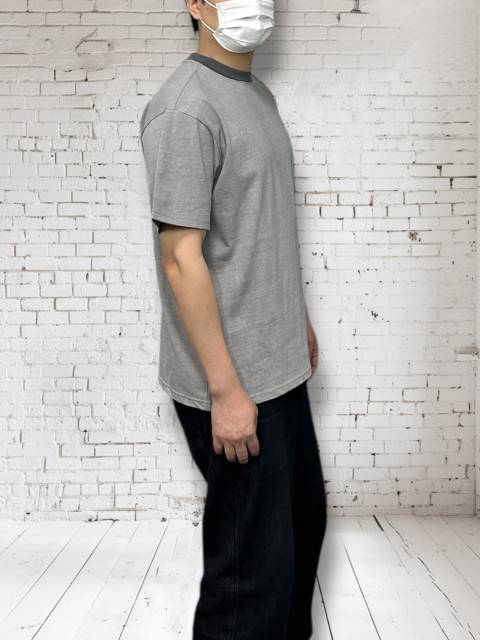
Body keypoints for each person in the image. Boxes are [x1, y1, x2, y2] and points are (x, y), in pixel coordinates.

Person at [139, 1, 328, 638]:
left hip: (279, 366)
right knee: (249, 580)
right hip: (236, 381)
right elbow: (180, 259)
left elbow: (260, 225)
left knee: (299, 536)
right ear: (195, 4)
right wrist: (225, 392)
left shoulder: (255, 96)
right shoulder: (185, 110)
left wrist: (296, 319)